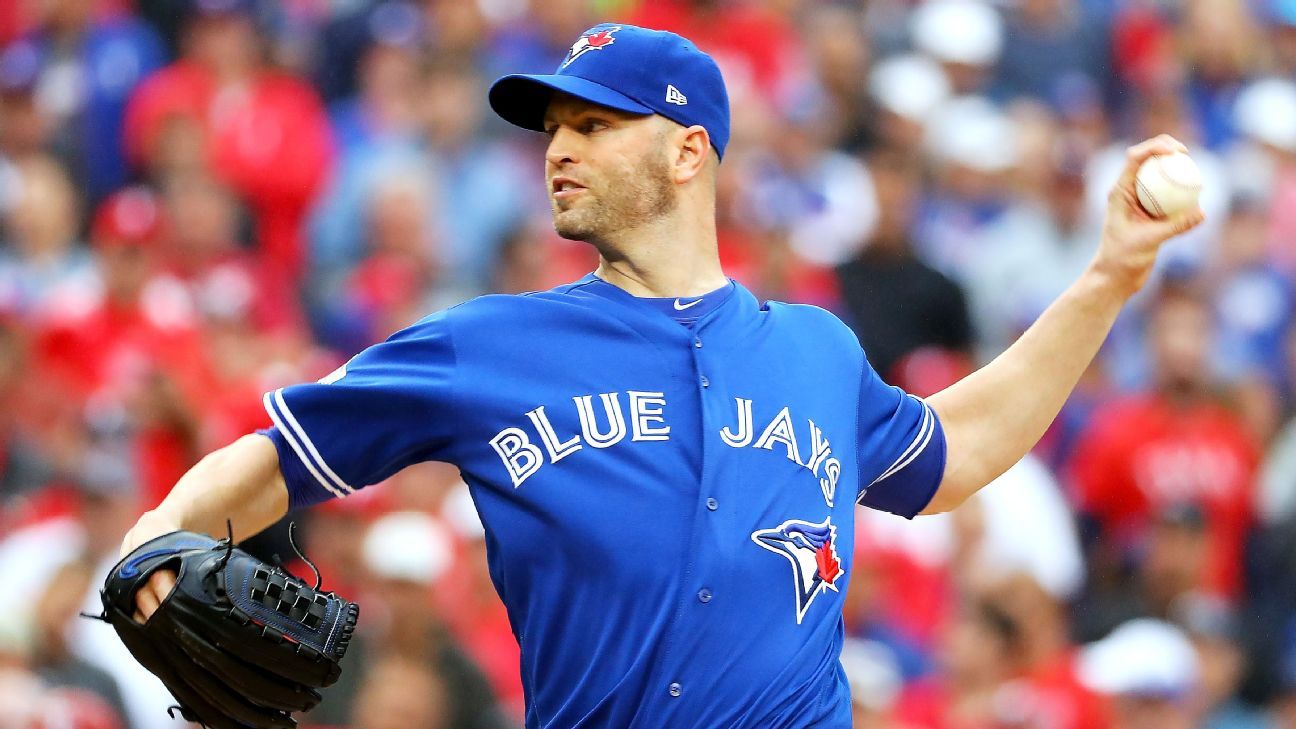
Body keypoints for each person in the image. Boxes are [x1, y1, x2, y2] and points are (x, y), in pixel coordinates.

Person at [116, 23, 1205, 729]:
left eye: (594, 123)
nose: (559, 149)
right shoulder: (486, 345)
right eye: (553, 129)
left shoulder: (815, 349)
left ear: (689, 153)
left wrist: (1110, 275)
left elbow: (955, 452)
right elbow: (276, 459)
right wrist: (153, 539)